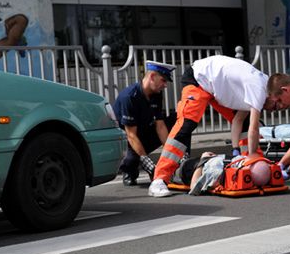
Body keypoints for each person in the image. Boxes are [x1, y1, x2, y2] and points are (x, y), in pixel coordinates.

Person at [148, 55, 276, 197]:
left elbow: (239, 121)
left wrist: (242, 154)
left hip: (216, 87)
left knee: (244, 123)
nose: (275, 108)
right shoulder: (258, 89)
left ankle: (249, 169)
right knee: (186, 124)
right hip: (198, 79)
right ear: (272, 95)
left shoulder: (266, 84)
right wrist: (251, 155)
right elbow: (254, 127)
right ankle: (159, 178)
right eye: (277, 104)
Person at [114, 60, 176, 186]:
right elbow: (131, 135)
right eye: (163, 80)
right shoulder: (130, 97)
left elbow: (160, 125)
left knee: (178, 119)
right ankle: (129, 171)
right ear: (152, 77)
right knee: (132, 158)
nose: (165, 85)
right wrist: (146, 160)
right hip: (127, 141)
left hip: (143, 133)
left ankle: (181, 163)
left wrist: (171, 153)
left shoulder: (156, 94)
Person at [171, 152, 272, 196]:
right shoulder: (241, 160)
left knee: (171, 171)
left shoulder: (217, 172)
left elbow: (194, 187)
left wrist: (203, 160)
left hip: (187, 171)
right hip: (205, 161)